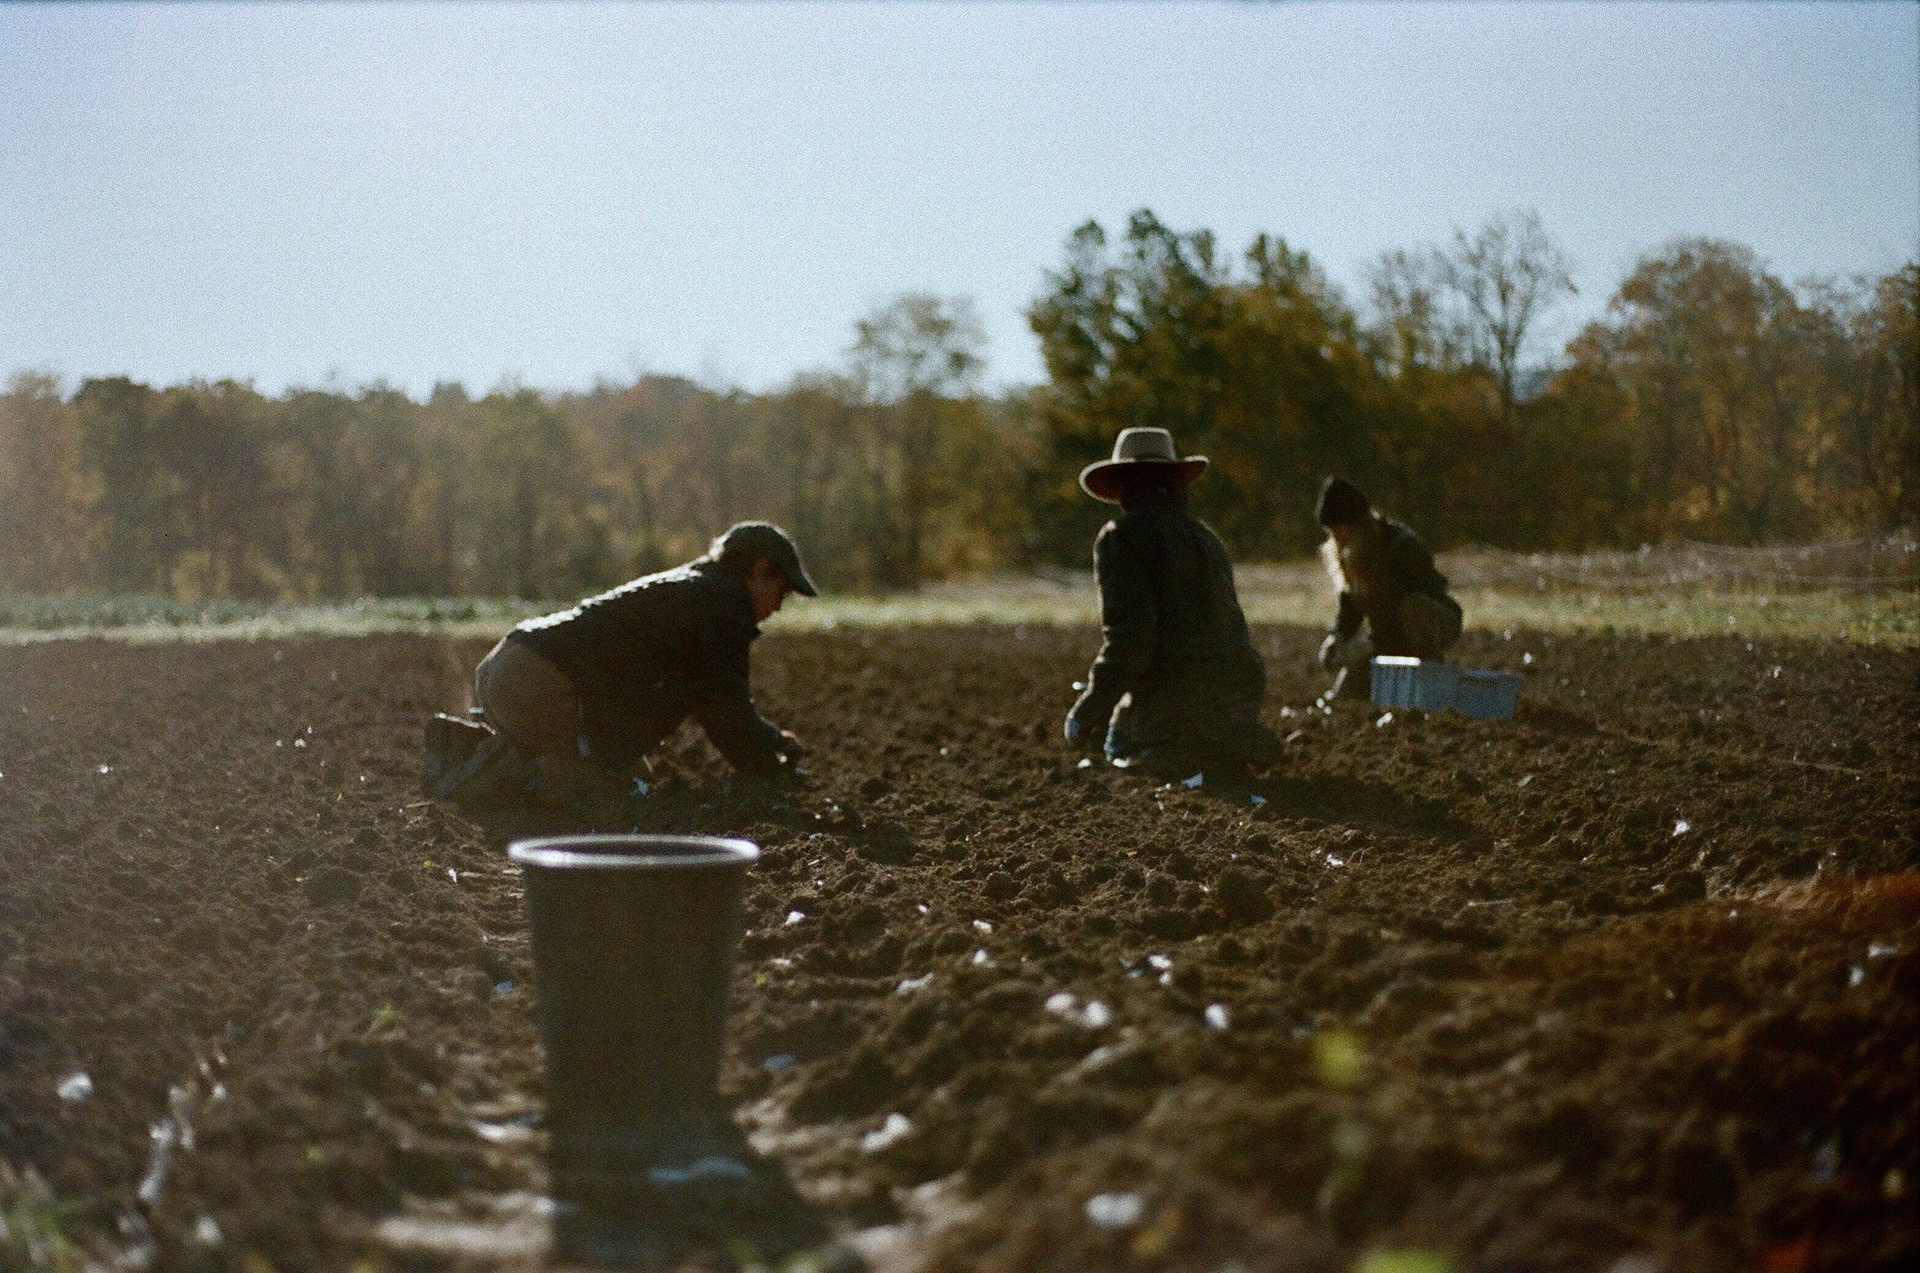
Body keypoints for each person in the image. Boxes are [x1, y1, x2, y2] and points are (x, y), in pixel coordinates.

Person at [424, 521, 816, 808]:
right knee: (612, 793)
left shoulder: (698, 585)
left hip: (509, 664)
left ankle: (472, 747)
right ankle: (490, 771)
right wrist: (772, 753)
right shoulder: (725, 602)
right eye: (780, 592)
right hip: (539, 684)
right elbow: (723, 706)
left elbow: (715, 704)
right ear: (758, 570)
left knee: (637, 775)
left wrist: (763, 749)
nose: (778, 607)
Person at [1064, 427, 1282, 780]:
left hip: (1174, 702)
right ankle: (1225, 740)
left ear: (1123, 484)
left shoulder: (1120, 538)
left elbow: (1131, 642)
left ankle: (1175, 748)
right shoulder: (1207, 538)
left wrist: (1086, 713)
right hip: (1238, 696)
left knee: (1115, 744)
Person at [1314, 476, 1463, 699]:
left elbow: (1412, 609)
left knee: (1413, 608)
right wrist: (1337, 636)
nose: (1337, 539)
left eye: (1340, 530)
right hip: (1384, 638)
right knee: (1346, 695)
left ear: (1357, 525)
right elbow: (1352, 605)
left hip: (1428, 624)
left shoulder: (1402, 547)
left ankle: (1431, 683)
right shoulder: (1350, 555)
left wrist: (1369, 645)